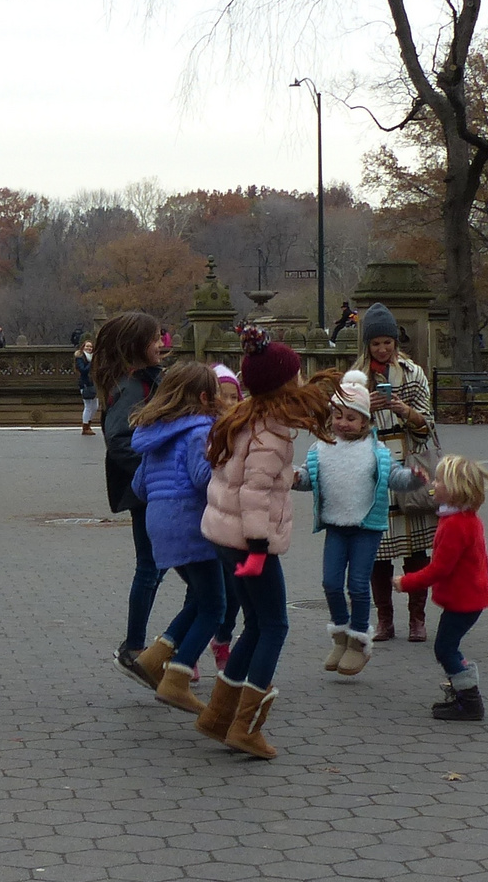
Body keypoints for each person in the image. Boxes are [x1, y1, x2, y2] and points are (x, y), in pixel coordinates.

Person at [193, 326, 329, 760]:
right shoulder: (269, 432)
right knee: (274, 626)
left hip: (224, 535)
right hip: (248, 541)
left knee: (254, 623)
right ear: (283, 384)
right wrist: (256, 546)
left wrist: (291, 479)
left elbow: (255, 479)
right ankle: (247, 727)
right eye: (297, 374)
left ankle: (219, 716)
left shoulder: (249, 419)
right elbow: (252, 491)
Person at [298, 369, 425, 677]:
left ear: (366, 421)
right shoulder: (322, 447)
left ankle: (359, 642)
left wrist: (413, 478)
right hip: (336, 526)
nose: (343, 423)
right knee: (330, 582)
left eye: (351, 418)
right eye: (338, 416)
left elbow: (395, 478)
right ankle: (340, 636)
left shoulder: (376, 451)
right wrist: (290, 477)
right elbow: (308, 477)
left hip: (367, 527)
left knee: (357, 584)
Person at [127, 363, 225, 712]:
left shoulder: (156, 434)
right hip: (190, 523)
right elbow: (202, 478)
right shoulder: (201, 431)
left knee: (200, 599)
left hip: (160, 523)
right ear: (203, 397)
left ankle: (155, 657)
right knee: (215, 605)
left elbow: (139, 485)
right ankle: (178, 678)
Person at [354, 302, 437, 643]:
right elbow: (343, 426)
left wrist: (406, 412)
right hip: (374, 471)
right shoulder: (356, 379)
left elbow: (428, 425)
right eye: (376, 344)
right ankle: (385, 619)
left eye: (387, 342)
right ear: (367, 345)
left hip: (410, 466)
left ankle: (417, 618)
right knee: (379, 551)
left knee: (417, 550)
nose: (383, 349)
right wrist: (363, 407)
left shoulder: (413, 373)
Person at [396, 456, 488, 721]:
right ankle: (463, 693)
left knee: (445, 649)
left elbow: (439, 568)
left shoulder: (455, 525)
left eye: (439, 480)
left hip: (464, 600)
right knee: (448, 646)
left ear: (454, 489)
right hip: (467, 598)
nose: (434, 484)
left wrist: (406, 582)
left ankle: (469, 700)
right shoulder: (464, 518)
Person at [96, 312, 167, 683]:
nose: (162, 343)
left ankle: (146, 647)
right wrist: (158, 472)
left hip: (156, 491)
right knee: (152, 567)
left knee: (159, 566)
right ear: (137, 345)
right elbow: (120, 442)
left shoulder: (149, 382)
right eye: (156, 338)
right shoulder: (130, 388)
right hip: (149, 493)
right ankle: (136, 648)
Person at [206, 362, 243, 674]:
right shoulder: (201, 430)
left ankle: (222, 640)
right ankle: (187, 650)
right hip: (208, 524)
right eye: (223, 397)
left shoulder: (244, 430)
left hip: (235, 526)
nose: (229, 404)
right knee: (206, 594)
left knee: (233, 594)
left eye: (235, 397)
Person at [75, 339, 98, 436]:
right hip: (85, 384)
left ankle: (89, 423)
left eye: (91, 347)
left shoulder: (94, 358)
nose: (89, 348)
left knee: (95, 406)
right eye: (87, 346)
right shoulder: (80, 358)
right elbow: (83, 370)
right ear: (83, 347)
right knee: (88, 406)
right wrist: (91, 363)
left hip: (93, 384)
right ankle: (85, 427)